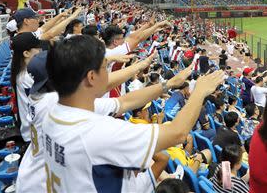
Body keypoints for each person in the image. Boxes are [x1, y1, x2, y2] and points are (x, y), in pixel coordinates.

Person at [42, 35, 225, 192]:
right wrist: (200, 91)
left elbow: (125, 102)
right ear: (91, 77)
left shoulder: (55, 110)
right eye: (105, 67)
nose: (109, 73)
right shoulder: (101, 132)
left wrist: (167, 85)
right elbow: (177, 133)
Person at [10, 33, 47, 145]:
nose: (41, 50)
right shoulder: (26, 77)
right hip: (33, 134)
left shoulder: (23, 71)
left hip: (33, 128)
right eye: (38, 48)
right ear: (26, 53)